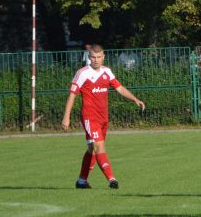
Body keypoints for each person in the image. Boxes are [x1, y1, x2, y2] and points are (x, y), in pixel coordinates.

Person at [60, 44, 145, 189]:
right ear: (89, 57)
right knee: (99, 146)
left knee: (91, 149)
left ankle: (81, 181)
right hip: (89, 117)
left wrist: (134, 99)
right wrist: (66, 117)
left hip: (103, 118)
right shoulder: (82, 73)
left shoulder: (107, 72)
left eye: (99, 57)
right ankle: (112, 179)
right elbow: (72, 95)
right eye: (93, 57)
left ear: (103, 57)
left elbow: (119, 88)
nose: (96, 60)